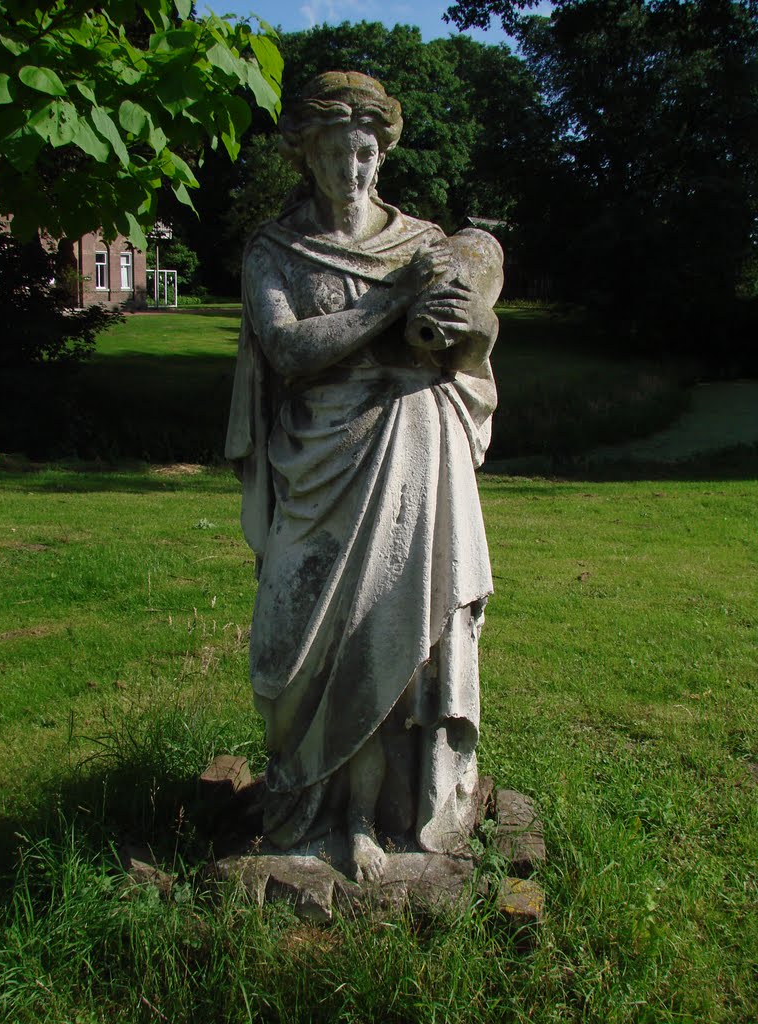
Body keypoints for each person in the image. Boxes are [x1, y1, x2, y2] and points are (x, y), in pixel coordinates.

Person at [226, 71, 503, 883]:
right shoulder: (273, 252)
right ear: (306, 157)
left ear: (380, 155)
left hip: (413, 453)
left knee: (393, 642)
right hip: (315, 463)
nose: (354, 170)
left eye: (366, 153)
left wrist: (476, 326)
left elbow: (466, 340)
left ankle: (364, 823)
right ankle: (301, 803)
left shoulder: (423, 244)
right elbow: (287, 349)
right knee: (292, 647)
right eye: (337, 153)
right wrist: (391, 308)